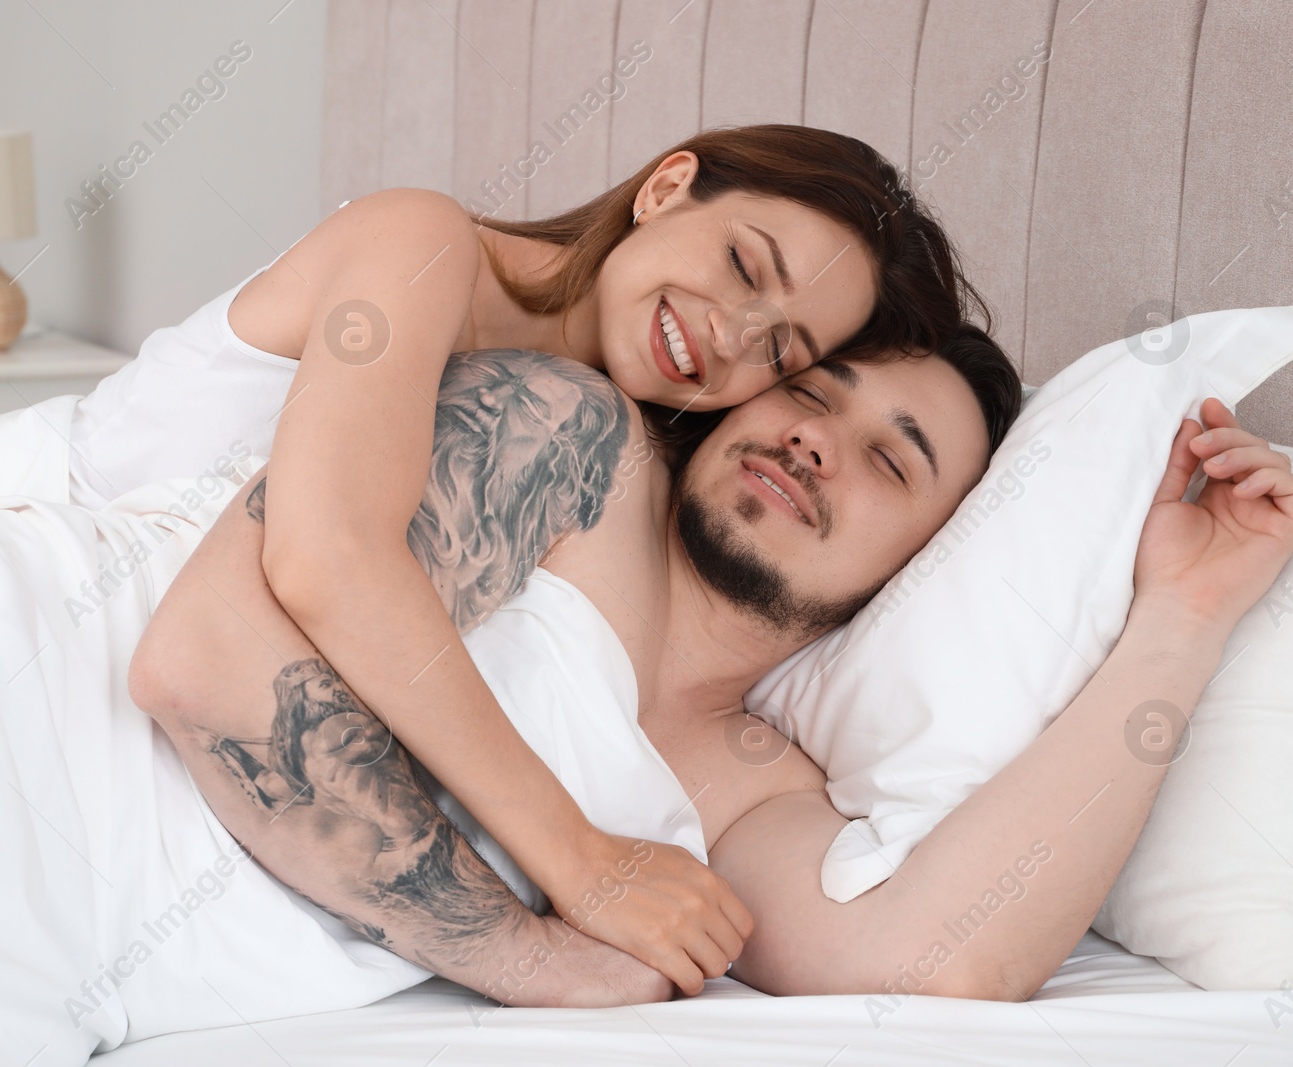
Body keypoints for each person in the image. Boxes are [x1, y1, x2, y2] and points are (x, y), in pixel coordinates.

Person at [131, 335, 1293, 1004]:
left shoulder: (748, 790)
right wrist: (525, 946)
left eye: (888, 464)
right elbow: (204, 662)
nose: (812, 441)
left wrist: (1181, 620)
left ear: (923, 562)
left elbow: (940, 963)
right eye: (807, 395)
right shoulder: (571, 439)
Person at [228, 124, 987, 985]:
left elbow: (928, 959)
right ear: (666, 187)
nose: (732, 335)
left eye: (780, 350)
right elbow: (327, 555)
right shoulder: (425, 244)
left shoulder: (602, 463)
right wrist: (574, 867)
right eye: (744, 265)